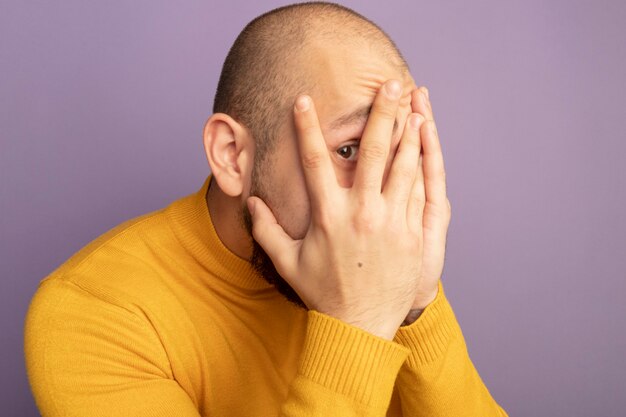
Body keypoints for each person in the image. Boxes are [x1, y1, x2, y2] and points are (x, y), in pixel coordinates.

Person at [24, 2, 508, 416]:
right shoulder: (90, 313)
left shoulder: (384, 264)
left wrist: (418, 308)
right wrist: (356, 322)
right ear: (232, 155)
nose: (380, 204)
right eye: (350, 149)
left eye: (403, 150)